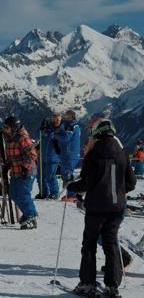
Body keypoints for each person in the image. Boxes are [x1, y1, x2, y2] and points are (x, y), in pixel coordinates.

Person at [67, 118, 136, 298]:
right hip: (117, 207)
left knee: (89, 244)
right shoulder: (122, 153)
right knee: (111, 243)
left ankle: (87, 284)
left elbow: (86, 183)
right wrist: (120, 191)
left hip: (97, 207)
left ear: (97, 133)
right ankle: (112, 287)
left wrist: (71, 187)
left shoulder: (93, 154)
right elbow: (132, 182)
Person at [3, 116, 38, 229]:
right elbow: (11, 153)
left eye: (7, 127)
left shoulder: (22, 138)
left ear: (14, 128)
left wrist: (25, 167)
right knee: (13, 193)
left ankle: (31, 216)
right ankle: (28, 213)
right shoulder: (9, 138)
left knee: (23, 194)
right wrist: (8, 164)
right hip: (15, 171)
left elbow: (32, 155)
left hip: (26, 172)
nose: (5, 130)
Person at [56, 110, 81, 201]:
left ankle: (72, 195)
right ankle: (70, 194)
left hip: (71, 154)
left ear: (71, 117)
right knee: (65, 175)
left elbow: (66, 138)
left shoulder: (72, 126)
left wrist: (55, 134)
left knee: (68, 175)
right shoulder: (67, 125)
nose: (65, 118)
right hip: (65, 154)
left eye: (67, 116)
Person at [37, 112, 62, 199]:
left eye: (57, 119)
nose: (56, 121)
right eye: (54, 119)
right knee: (40, 176)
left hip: (53, 157)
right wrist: (41, 130)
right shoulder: (47, 129)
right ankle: (43, 193)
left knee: (50, 177)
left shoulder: (60, 130)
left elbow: (63, 142)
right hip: (42, 156)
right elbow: (39, 138)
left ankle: (55, 193)